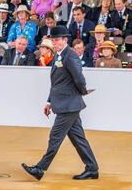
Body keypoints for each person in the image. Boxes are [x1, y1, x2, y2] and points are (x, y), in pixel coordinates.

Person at [22, 26, 99, 181]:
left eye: (57, 40)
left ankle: (40, 168)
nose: (55, 42)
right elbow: (57, 83)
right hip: (66, 104)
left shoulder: (70, 56)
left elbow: (79, 78)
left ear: (65, 40)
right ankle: (92, 168)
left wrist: (82, 91)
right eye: (53, 40)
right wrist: (49, 102)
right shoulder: (59, 55)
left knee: (55, 137)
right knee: (78, 139)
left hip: (68, 105)